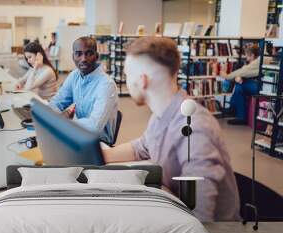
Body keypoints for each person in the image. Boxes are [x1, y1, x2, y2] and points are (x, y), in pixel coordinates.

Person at [102, 37, 240, 222]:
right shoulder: (161, 114)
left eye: (128, 75)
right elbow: (141, 147)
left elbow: (200, 217)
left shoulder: (194, 128)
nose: (126, 81)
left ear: (142, 81)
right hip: (176, 210)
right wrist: (103, 155)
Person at [49, 37, 118, 145]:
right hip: (77, 134)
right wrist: (59, 118)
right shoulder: (74, 76)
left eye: (89, 53)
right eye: (78, 54)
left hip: (98, 143)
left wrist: (65, 122)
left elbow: (94, 127)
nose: (84, 59)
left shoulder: (106, 85)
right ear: (73, 56)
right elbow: (55, 102)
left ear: (96, 56)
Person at [220, 45, 260, 125]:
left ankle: (238, 114)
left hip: (260, 87)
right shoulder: (257, 61)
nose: (245, 57)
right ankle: (235, 111)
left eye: (246, 55)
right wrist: (240, 77)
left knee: (240, 87)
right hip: (258, 84)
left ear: (252, 55)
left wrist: (225, 75)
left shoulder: (256, 62)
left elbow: (242, 72)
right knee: (239, 86)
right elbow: (246, 72)